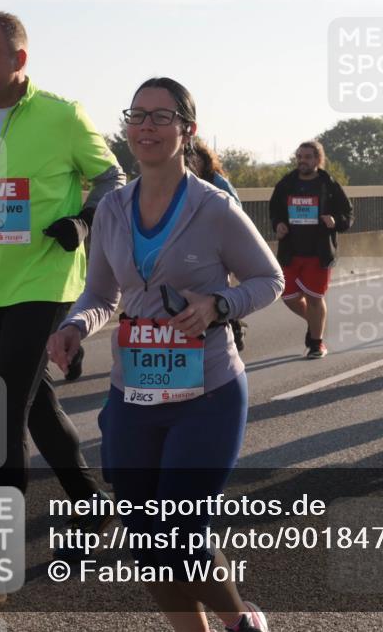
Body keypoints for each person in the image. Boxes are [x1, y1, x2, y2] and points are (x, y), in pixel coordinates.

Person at [48, 77, 282, 632]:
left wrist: (217, 305)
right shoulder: (110, 210)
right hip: (134, 390)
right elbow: (103, 295)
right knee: (144, 539)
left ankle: (240, 620)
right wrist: (77, 325)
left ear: (187, 130)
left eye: (161, 116)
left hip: (208, 391)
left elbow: (268, 279)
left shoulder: (214, 207)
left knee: (176, 533)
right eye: (138, 115)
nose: (147, 127)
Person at [0, 12, 125, 612]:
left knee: (4, 407)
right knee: (35, 403)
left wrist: (82, 221)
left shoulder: (62, 115)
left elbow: (113, 176)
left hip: (48, 278)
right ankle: (92, 509)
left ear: (19, 59)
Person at [269, 140, 352, 359]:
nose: (302, 161)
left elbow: (348, 215)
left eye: (307, 157)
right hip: (291, 251)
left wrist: (335, 221)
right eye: (299, 156)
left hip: (318, 252)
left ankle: (316, 343)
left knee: (315, 299)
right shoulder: (286, 184)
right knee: (287, 296)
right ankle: (315, 323)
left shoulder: (329, 184)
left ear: (317, 159)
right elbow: (274, 211)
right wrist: (278, 224)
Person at [188, 138, 246, 353]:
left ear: (203, 161)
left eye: (194, 158)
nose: (190, 162)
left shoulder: (217, 182)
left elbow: (235, 209)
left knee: (220, 288)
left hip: (217, 242)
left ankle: (234, 325)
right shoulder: (177, 183)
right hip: (191, 243)